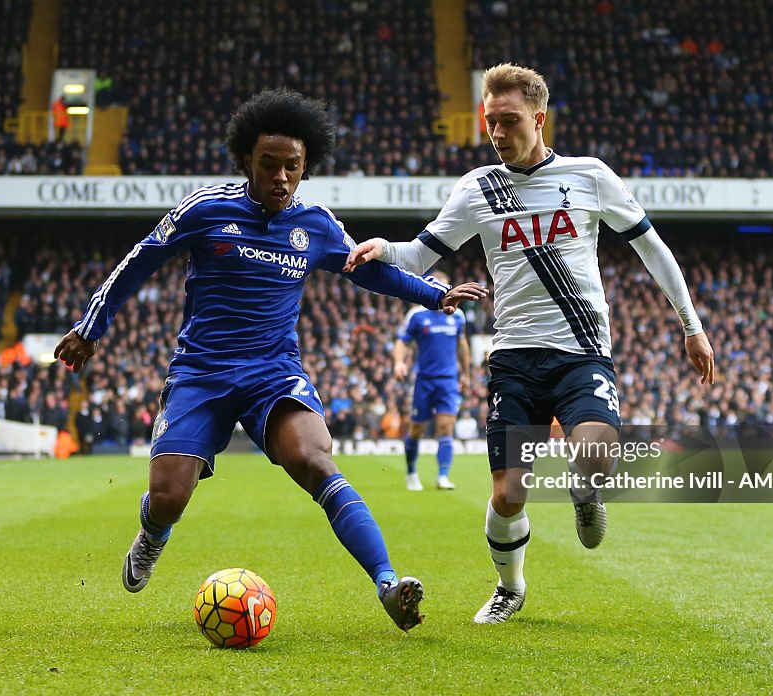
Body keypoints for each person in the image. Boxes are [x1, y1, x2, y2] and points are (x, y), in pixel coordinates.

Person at [54, 89, 487, 633]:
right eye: (270, 165)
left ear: (306, 167)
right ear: (246, 161)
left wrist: (432, 294)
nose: (282, 177)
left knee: (316, 461)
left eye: (293, 167)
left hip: (273, 373)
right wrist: (90, 328)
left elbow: (366, 269)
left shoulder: (316, 224)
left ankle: (386, 583)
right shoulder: (205, 209)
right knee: (169, 496)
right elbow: (141, 260)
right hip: (202, 373)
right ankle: (152, 532)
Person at [345, 64, 715, 624]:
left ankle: (586, 496)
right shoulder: (477, 188)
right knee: (509, 492)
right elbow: (421, 254)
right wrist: (382, 247)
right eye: (490, 121)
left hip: (581, 349)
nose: (497, 132)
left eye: (509, 120)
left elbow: (653, 249)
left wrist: (691, 326)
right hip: (513, 359)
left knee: (591, 454)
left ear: (539, 118)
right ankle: (510, 587)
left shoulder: (589, 176)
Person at [393, 270, 470, 491]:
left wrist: (465, 373)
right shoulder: (417, 315)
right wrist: (399, 362)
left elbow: (462, 345)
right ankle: (411, 472)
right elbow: (402, 342)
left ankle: (443, 476)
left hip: (448, 380)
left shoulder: (457, 316)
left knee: (446, 427)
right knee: (416, 429)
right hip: (424, 380)